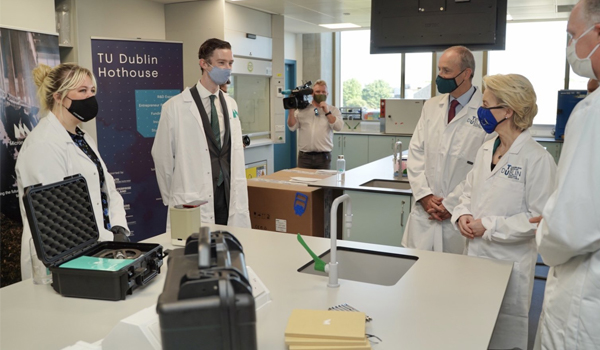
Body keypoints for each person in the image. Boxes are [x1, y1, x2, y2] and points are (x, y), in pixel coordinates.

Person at [451, 74, 557, 349]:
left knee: (502, 339)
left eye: (486, 105)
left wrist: (489, 225)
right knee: (470, 332)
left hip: (509, 268)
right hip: (474, 260)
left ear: (507, 110)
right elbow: (468, 193)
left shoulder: (537, 159)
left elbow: (539, 220)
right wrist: (461, 215)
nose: (481, 112)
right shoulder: (487, 149)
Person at [16, 63, 130, 280]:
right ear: (58, 97)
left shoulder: (82, 138)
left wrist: (118, 228)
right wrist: (107, 238)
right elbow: (57, 214)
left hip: (99, 248)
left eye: (92, 91)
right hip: (62, 260)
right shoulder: (43, 144)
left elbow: (108, 188)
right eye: (82, 91)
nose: (90, 97)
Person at [533, 1, 600, 348]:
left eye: (574, 35)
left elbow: (570, 229)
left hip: (585, 299)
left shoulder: (594, 112)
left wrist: (548, 226)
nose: (571, 47)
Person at [152, 38, 250, 228]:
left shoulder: (231, 104)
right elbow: (162, 157)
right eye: (221, 63)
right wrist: (173, 197)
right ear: (204, 64)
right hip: (194, 194)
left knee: (228, 249)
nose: (227, 68)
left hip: (228, 194)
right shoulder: (175, 107)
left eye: (230, 63)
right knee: (198, 254)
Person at [402, 45, 489, 254]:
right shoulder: (431, 106)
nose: (440, 76)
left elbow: (483, 168)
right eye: (439, 70)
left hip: (459, 215)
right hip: (425, 213)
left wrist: (450, 204)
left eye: (446, 71)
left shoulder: (486, 111)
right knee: (416, 278)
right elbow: (415, 153)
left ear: (466, 74)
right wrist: (424, 196)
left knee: (455, 281)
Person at [287, 79, 343, 169]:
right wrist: (291, 111)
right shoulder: (303, 110)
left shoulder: (333, 110)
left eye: (323, 92)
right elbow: (292, 127)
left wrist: (327, 112)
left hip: (323, 157)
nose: (320, 94)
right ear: (312, 94)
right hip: (304, 157)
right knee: (303, 182)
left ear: (327, 94)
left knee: (323, 182)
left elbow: (338, 127)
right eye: (317, 91)